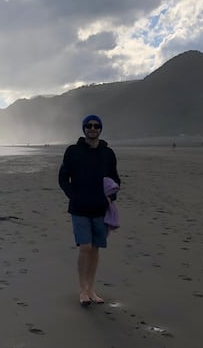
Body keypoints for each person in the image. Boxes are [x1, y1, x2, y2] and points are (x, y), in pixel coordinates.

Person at [58, 115, 121, 307]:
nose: (92, 129)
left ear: (100, 129)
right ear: (83, 129)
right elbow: (62, 179)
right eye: (89, 126)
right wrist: (74, 195)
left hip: (100, 209)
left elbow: (115, 179)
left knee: (95, 249)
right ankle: (82, 289)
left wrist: (111, 196)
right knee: (84, 248)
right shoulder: (72, 151)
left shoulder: (108, 153)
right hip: (79, 208)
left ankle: (92, 289)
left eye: (96, 126)